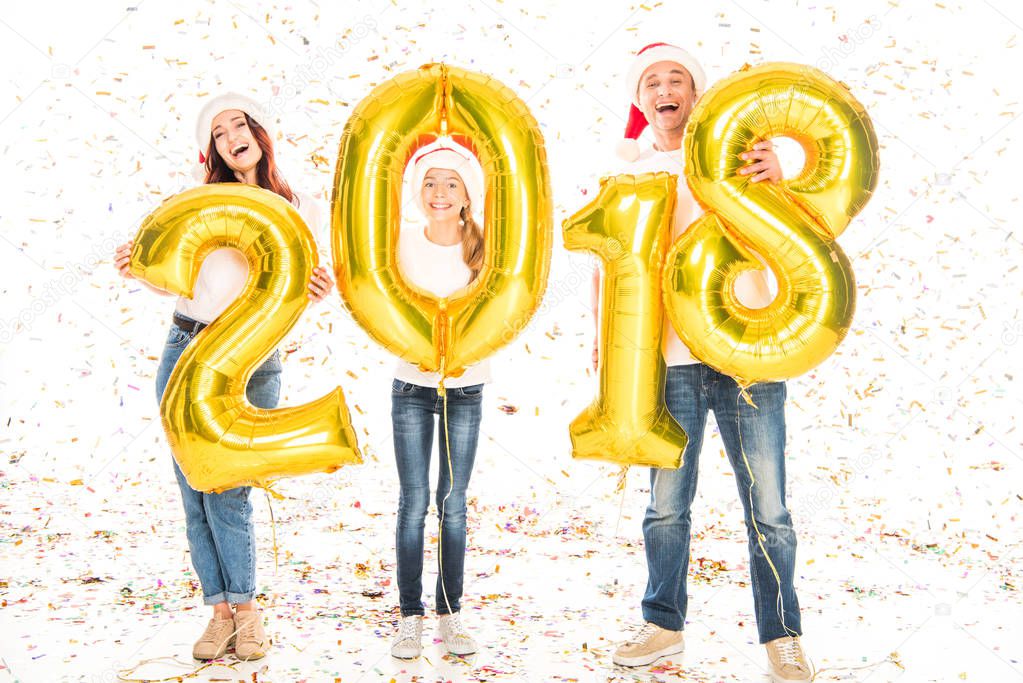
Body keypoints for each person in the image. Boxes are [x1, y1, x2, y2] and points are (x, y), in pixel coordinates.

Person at [602, 43, 811, 682]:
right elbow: (613, 260)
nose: (665, 89)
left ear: (696, 92)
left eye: (677, 79)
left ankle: (783, 637)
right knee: (666, 503)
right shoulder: (632, 172)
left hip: (748, 356)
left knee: (768, 507)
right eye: (652, 82)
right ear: (640, 101)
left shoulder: (736, 159)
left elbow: (800, 229)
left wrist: (782, 175)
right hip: (667, 360)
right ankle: (663, 624)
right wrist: (604, 344)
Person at [113, 92, 335, 662]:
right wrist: (139, 269)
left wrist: (318, 291)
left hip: (253, 360)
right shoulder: (199, 203)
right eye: (217, 130)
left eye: (239, 122)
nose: (230, 133)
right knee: (194, 488)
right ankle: (218, 613)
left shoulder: (299, 206)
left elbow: (307, 284)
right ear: (211, 149)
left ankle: (249, 612)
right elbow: (175, 283)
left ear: (260, 134)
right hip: (186, 345)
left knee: (230, 486)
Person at [388, 140, 490, 659]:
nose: (440, 192)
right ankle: (410, 617)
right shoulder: (402, 242)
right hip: (410, 388)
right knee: (413, 504)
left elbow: (501, 316)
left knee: (453, 503)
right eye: (430, 182)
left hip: (466, 389)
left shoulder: (484, 245)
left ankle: (450, 614)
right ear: (417, 193)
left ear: (468, 194)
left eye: (451, 183)